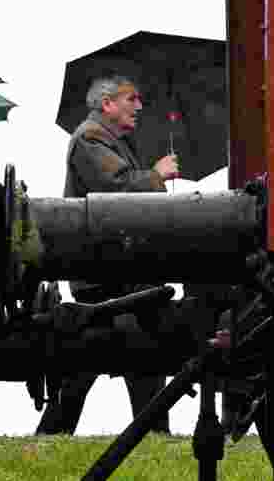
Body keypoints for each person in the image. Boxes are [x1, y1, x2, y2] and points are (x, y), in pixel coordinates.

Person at [35, 74, 180, 436]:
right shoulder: (90, 137)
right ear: (107, 104)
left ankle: (58, 435)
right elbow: (116, 190)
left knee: (107, 357)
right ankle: (151, 433)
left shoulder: (112, 140)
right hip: (106, 271)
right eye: (132, 99)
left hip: (111, 270)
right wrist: (156, 176)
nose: (140, 106)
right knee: (127, 352)